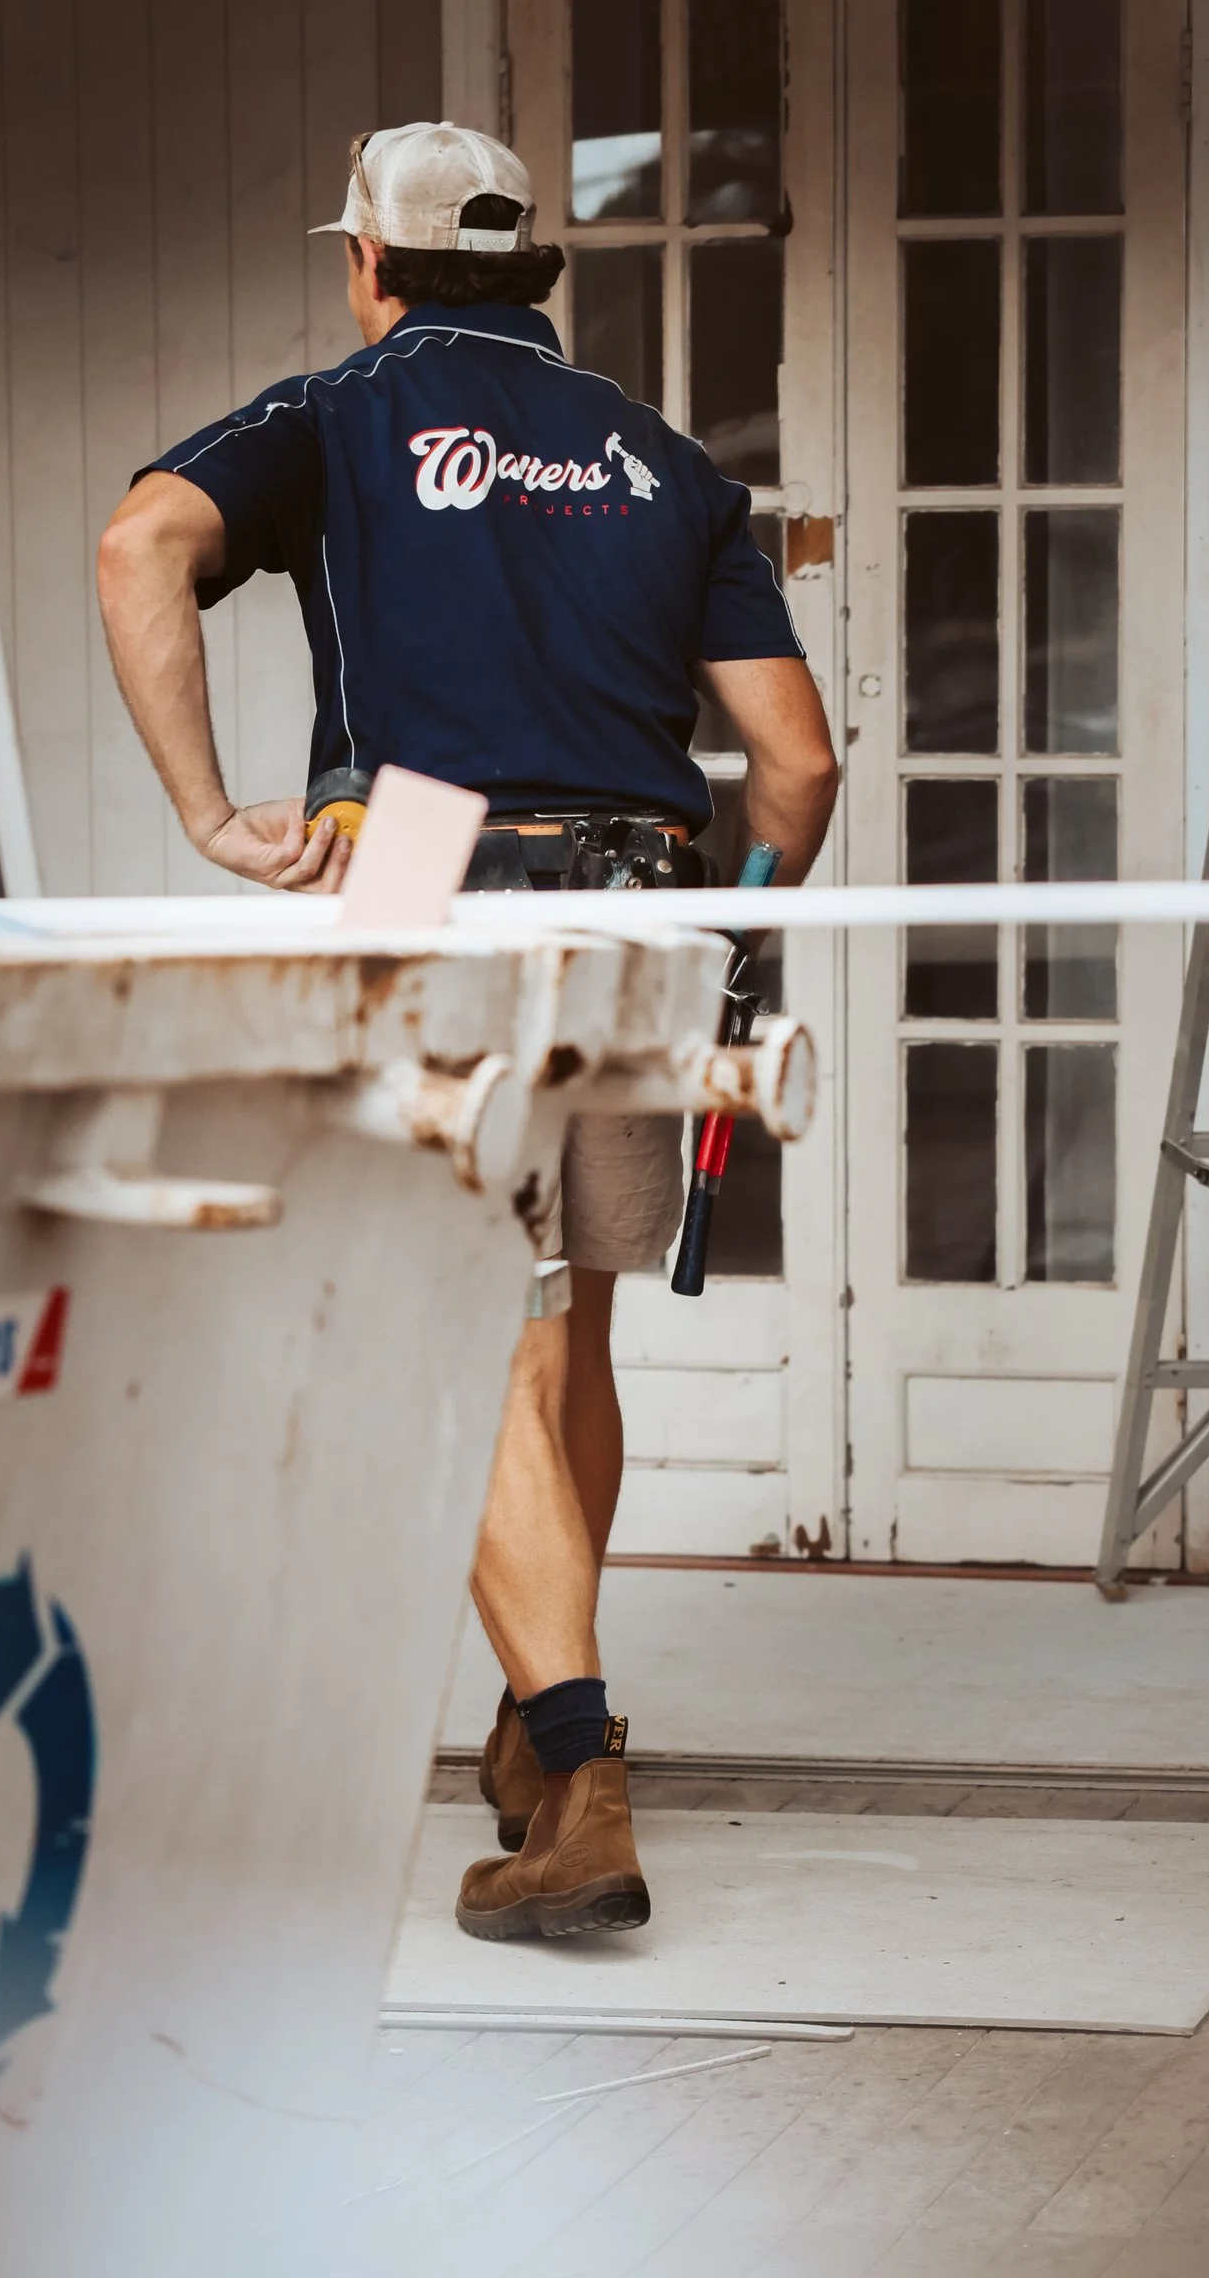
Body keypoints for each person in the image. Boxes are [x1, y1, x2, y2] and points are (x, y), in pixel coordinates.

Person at [97, 121, 838, 1940]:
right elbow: (800, 763)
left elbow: (140, 547)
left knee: (467, 1330)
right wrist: (735, 919)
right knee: (568, 1318)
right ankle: (534, 1711)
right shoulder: (665, 463)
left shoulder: (339, 415)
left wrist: (209, 816)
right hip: (638, 891)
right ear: (541, 277)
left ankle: (579, 1775)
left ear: (370, 264)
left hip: (434, 869)